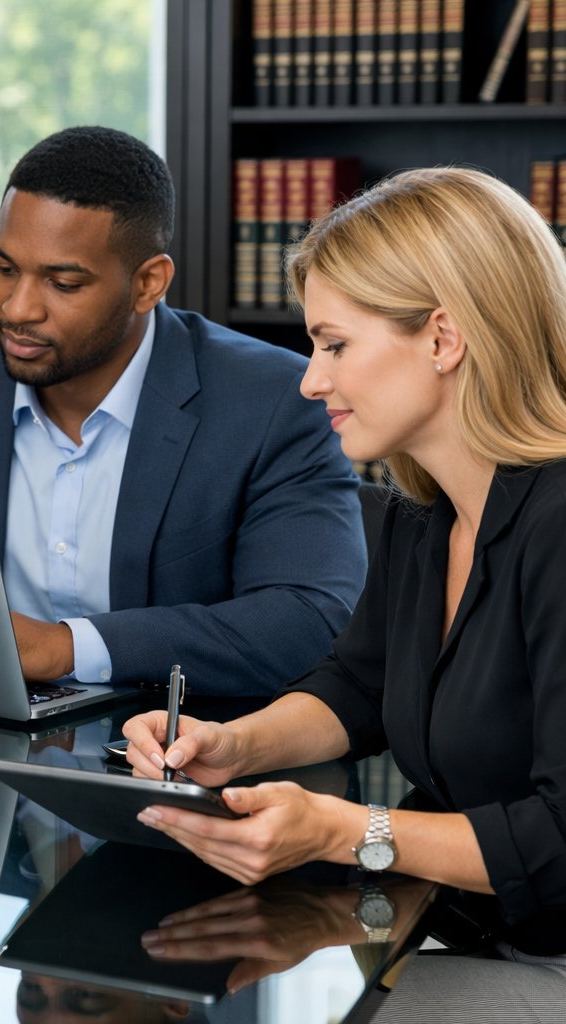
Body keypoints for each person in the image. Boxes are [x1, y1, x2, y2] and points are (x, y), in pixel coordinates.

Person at [122, 167, 566, 940]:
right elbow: (359, 686)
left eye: (334, 345)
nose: (311, 381)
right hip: (445, 929)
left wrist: (343, 830)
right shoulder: (423, 516)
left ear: (443, 338)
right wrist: (233, 745)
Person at [0, 126, 364, 694]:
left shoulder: (270, 401)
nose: (18, 308)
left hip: (173, 743)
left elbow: (309, 619)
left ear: (148, 284)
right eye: (5, 269)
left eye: (62, 283)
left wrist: (63, 647)